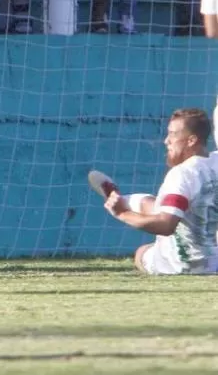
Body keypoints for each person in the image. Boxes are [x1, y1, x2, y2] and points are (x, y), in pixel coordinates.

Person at [92, 108, 218, 275]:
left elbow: (165, 225)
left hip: (181, 265)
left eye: (173, 134)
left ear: (191, 140)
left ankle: (119, 201)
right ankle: (121, 198)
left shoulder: (182, 173)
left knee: (141, 252)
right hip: (213, 262)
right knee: (158, 203)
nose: (166, 141)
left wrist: (122, 214)